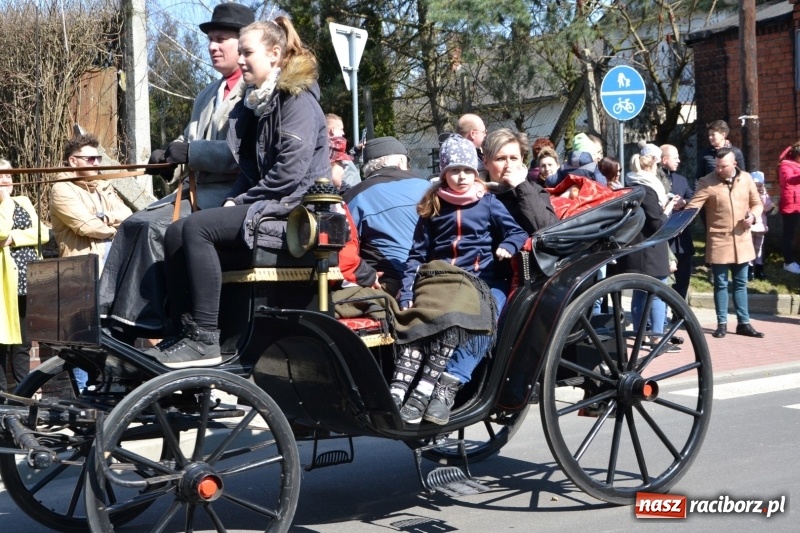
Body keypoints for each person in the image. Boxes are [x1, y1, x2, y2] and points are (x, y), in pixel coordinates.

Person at [149, 16, 330, 368]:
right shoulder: (255, 107)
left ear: (275, 54)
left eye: (248, 52)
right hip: (269, 204)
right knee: (175, 231)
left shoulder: (297, 102)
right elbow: (248, 169)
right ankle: (181, 332)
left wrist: (240, 201)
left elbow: (289, 176)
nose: (242, 60)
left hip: (295, 213)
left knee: (198, 227)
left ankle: (205, 338)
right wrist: (237, 195)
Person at [99, 2, 255, 337]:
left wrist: (191, 152)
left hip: (228, 194)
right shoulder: (206, 94)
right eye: (210, 39)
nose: (212, 46)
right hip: (194, 190)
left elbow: (242, 154)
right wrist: (165, 160)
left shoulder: (255, 92)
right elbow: (187, 141)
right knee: (131, 224)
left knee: (153, 226)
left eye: (220, 39)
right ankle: (107, 318)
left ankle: (146, 322)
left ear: (244, 43)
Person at [391, 135, 528, 425]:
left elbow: (517, 232)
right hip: (442, 281)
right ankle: (405, 388)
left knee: (485, 320)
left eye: (467, 170)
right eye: (454, 170)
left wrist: (509, 246)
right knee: (422, 319)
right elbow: (415, 256)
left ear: (476, 172)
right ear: (444, 174)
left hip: (484, 281)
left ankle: (446, 387)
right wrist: (407, 294)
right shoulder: (433, 206)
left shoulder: (488, 202)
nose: (462, 176)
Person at [686, 148, 764, 339]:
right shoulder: (707, 182)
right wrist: (679, 218)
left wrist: (753, 216)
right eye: (717, 166)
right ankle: (721, 323)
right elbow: (693, 207)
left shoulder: (746, 179)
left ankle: (743, 323)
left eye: (723, 166)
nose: (718, 169)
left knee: (740, 283)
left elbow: (757, 203)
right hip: (719, 240)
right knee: (720, 284)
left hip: (742, 239)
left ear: (734, 164)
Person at [341, 137, 431, 297]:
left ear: (368, 168)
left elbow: (344, 247)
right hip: (432, 279)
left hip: (388, 285)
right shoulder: (431, 188)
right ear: (401, 162)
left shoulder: (354, 196)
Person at [612, 146, 676, 341]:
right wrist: (668, 210)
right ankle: (656, 337)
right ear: (652, 166)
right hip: (649, 252)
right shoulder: (647, 189)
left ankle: (640, 334)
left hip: (636, 251)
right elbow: (656, 222)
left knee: (639, 295)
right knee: (655, 293)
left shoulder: (630, 186)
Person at [1, 163, 49, 398]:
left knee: (22, 344)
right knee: (1, 344)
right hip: (3, 284)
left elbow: (43, 234)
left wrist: (14, 238)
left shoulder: (24, 201)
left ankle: (22, 398)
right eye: (0, 176)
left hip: (26, 281)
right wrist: (5, 201)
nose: (6, 180)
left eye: (9, 175)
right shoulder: (8, 204)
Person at [50, 134, 132, 273]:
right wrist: (117, 232)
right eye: (90, 159)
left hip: (114, 262)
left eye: (98, 158)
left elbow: (128, 215)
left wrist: (105, 217)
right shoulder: (62, 189)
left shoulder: (102, 185)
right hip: (81, 270)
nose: (96, 163)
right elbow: (88, 227)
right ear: (73, 161)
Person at [482, 128, 558, 234]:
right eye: (501, 159)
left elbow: (549, 231)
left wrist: (522, 186)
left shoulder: (535, 191)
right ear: (486, 162)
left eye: (513, 158)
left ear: (522, 159)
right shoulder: (475, 195)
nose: (508, 165)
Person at [659, 144, 695, 301]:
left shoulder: (681, 179)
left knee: (683, 278)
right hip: (665, 239)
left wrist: (684, 202)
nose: (679, 160)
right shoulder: (656, 180)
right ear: (664, 159)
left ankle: (678, 313)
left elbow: (694, 199)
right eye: (676, 157)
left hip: (682, 239)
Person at [777, 142, 800, 274]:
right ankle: (788, 262)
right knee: (789, 235)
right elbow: (789, 179)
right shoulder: (785, 165)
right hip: (790, 205)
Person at [748, 171, 772, 280]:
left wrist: (763, 195)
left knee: (759, 247)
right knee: (749, 246)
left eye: (759, 185)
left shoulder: (764, 195)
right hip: (751, 225)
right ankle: (749, 268)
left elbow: (767, 208)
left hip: (761, 225)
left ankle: (759, 267)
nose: (757, 187)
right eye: (755, 185)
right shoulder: (748, 194)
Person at [326, 113, 360, 188]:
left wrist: (356, 150)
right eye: (341, 129)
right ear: (333, 130)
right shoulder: (335, 148)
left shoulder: (320, 149)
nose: (343, 133)